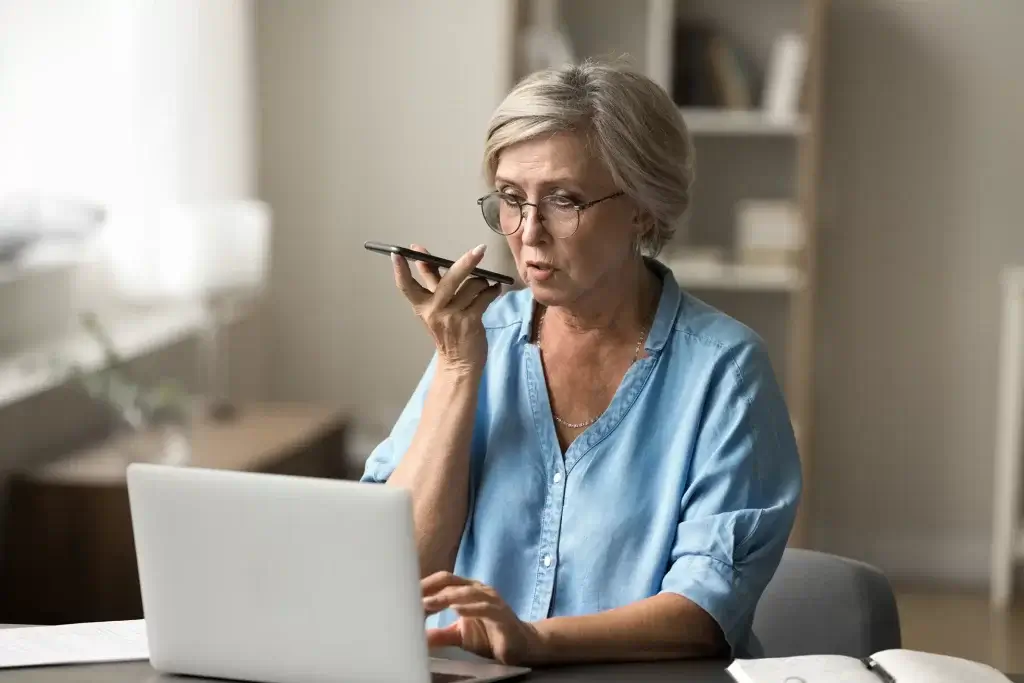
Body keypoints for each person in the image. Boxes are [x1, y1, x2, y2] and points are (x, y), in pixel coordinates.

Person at [361, 61, 802, 666]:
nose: (528, 234)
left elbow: (705, 610)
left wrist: (533, 641)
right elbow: (394, 579)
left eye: (563, 201)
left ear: (644, 209)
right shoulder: (471, 337)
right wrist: (458, 370)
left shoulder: (725, 372)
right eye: (512, 200)